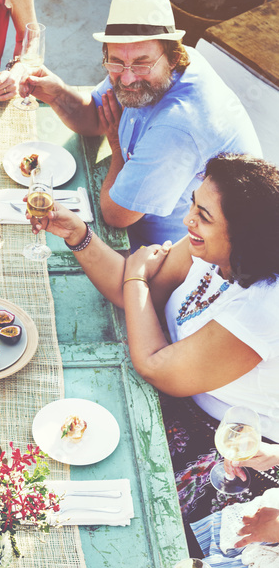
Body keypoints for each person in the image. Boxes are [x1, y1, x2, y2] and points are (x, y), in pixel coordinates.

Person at [27, 154, 279, 523]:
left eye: (204, 217)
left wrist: (136, 277)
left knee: (102, 499)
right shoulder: (210, 248)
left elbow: (155, 366)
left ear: (244, 236)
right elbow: (135, 296)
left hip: (225, 448)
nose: (187, 220)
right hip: (165, 389)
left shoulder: (262, 310)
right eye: (193, 204)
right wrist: (77, 234)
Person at [21, 0, 262, 249]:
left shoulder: (178, 125)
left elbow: (115, 215)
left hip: (185, 253)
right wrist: (57, 93)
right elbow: (96, 118)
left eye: (141, 64)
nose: (127, 79)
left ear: (173, 58)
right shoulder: (151, 61)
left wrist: (116, 149)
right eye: (116, 63)